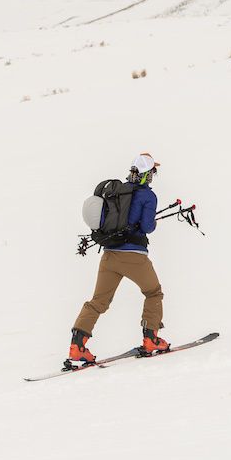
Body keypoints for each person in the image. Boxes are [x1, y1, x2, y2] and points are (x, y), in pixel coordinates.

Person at [68, 153, 171, 366]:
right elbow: (147, 227)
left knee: (98, 301)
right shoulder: (147, 196)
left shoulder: (119, 191)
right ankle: (151, 339)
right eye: (153, 171)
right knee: (153, 292)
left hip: (109, 256)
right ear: (148, 174)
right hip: (134, 256)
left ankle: (77, 346)